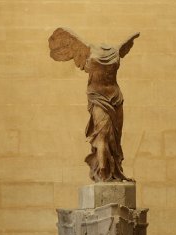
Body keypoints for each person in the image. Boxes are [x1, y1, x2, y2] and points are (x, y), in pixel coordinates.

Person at [48, 28, 139, 182]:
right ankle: (106, 172)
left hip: (102, 97)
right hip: (112, 97)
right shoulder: (114, 53)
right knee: (110, 138)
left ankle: (107, 172)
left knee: (106, 137)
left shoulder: (91, 55)